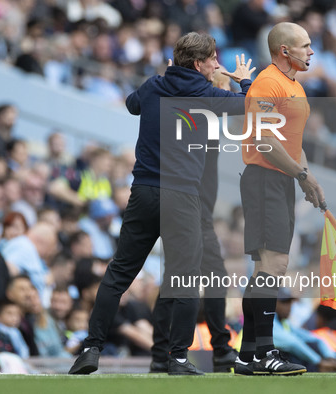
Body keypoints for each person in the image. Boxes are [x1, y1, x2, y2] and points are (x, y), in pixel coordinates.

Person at [68, 32, 254, 376]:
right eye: (213, 59)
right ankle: (177, 358)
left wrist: (166, 76)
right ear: (199, 64)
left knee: (118, 274)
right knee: (184, 280)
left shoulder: (155, 85)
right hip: (181, 198)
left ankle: (90, 348)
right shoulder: (206, 93)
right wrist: (244, 81)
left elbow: (131, 104)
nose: (217, 64)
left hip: (143, 192)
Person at [235, 22, 325, 376]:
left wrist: (306, 177)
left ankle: (247, 355)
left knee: (264, 269)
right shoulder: (267, 83)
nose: (311, 51)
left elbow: (291, 140)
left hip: (280, 180)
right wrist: (301, 174)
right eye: (304, 45)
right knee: (273, 266)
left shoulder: (294, 87)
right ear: (284, 51)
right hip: (264, 180)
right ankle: (265, 352)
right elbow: (264, 141)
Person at [149, 67, 251, 373]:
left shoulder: (203, 116)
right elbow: (241, 101)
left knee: (175, 279)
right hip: (191, 212)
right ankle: (219, 349)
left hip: (192, 210)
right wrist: (240, 81)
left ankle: (160, 353)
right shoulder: (196, 113)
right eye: (215, 77)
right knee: (212, 276)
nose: (221, 82)